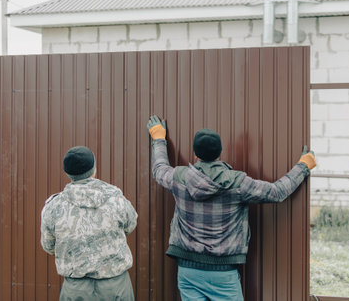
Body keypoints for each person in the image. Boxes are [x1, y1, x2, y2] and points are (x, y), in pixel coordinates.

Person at [147, 115, 316, 301]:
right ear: (220, 153)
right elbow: (277, 192)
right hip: (223, 275)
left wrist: (158, 137)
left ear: (195, 154)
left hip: (188, 272)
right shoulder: (238, 183)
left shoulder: (178, 178)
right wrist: (303, 166)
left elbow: (159, 168)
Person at [40, 146, 138, 301]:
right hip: (115, 287)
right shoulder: (115, 199)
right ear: (94, 169)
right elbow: (130, 224)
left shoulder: (54, 206)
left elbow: (48, 245)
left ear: (67, 173)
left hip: (76, 289)